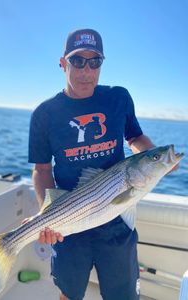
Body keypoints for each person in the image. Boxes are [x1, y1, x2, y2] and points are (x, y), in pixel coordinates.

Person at [28, 28, 156, 300]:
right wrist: (47, 214)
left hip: (116, 218)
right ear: (63, 63)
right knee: (68, 293)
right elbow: (41, 170)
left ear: (101, 64)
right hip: (69, 221)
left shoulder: (118, 97)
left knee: (123, 295)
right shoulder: (44, 114)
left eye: (94, 62)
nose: (86, 71)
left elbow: (134, 136)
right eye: (77, 61)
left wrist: (154, 157)